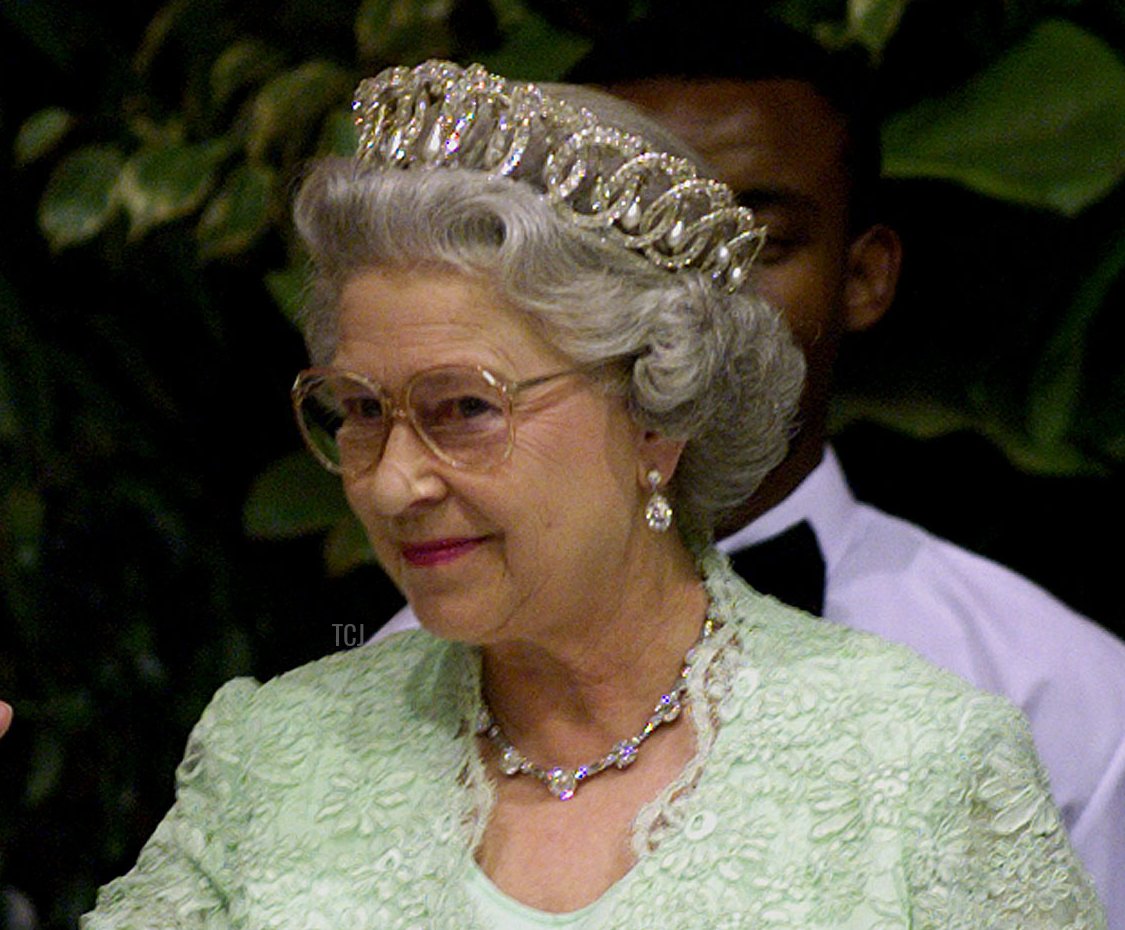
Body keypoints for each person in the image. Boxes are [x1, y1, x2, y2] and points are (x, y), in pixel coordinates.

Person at [82, 60, 1103, 927]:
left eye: (464, 409)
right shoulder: (272, 756)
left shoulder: (923, 766)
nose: (391, 482)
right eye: (357, 410)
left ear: (655, 416)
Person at [368, 14, 1125, 927]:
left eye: (756, 244)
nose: (686, 302)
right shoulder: (399, 669)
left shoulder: (1057, 688)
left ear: (864, 277)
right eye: (618, 247)